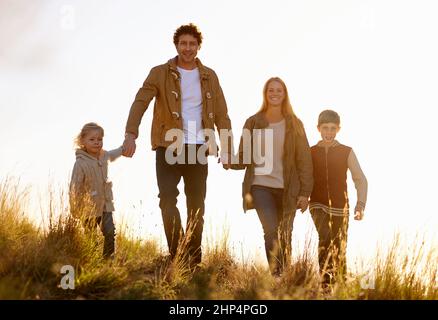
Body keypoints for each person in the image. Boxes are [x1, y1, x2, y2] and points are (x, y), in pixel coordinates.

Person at [122, 23, 233, 268]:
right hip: (168, 144)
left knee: (196, 205)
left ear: (198, 47)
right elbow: (141, 101)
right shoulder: (160, 72)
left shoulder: (209, 75)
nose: (187, 48)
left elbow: (222, 114)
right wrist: (131, 134)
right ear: (176, 45)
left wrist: (226, 148)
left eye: (192, 44)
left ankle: (193, 260)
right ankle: (178, 255)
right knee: (167, 200)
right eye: (183, 43)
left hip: (198, 147)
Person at [230, 77, 313, 276]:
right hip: (260, 187)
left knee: (286, 234)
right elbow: (244, 156)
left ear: (285, 95)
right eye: (271, 90)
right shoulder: (253, 122)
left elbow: (305, 161)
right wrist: (229, 161)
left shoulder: (295, 124)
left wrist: (304, 193)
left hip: (288, 189)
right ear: (265, 94)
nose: (274, 94)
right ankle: (276, 276)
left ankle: (286, 278)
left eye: (279, 91)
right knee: (270, 231)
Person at [309, 109, 368, 288]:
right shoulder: (310, 152)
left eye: (333, 128)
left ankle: (340, 285)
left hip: (341, 207)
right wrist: (301, 197)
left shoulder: (346, 152)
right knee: (325, 239)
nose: (329, 132)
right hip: (317, 204)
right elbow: (302, 176)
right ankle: (325, 284)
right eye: (325, 128)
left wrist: (360, 204)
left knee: (339, 247)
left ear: (338, 129)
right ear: (318, 128)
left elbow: (360, 179)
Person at [69, 122, 124, 259]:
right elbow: (74, 187)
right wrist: (75, 208)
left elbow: (113, 154)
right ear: (83, 141)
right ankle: (91, 260)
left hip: (105, 204)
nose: (97, 142)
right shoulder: (81, 163)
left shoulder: (103, 155)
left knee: (110, 232)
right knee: (91, 236)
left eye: (100, 139)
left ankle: (108, 259)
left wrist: (124, 149)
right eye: (92, 139)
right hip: (88, 208)